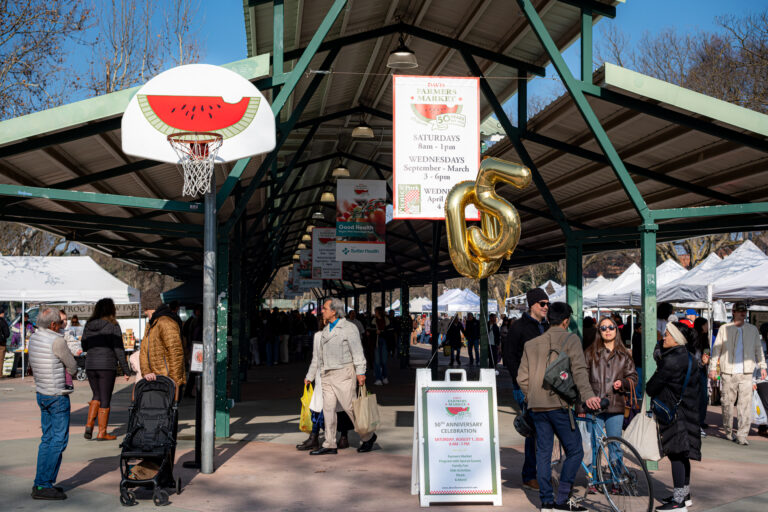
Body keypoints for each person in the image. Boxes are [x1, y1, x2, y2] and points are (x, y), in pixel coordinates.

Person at [518, 302, 599, 512]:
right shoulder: (571, 339)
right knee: (575, 451)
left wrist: (532, 396)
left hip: (537, 407)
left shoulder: (531, 344)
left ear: (548, 319)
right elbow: (579, 371)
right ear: (566, 321)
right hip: (559, 405)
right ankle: (562, 500)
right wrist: (588, 396)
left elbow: (522, 378)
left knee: (543, 454)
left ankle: (546, 502)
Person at [305, 298, 377, 455]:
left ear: (334, 311)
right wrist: (310, 375)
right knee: (328, 410)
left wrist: (361, 372)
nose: (322, 311)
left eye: (324, 308)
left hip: (344, 373)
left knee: (350, 408)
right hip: (326, 375)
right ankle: (329, 444)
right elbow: (318, 357)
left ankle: (368, 437)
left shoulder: (349, 328)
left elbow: (357, 351)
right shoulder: (325, 330)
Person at [647, 322, 701, 511]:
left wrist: (659, 359)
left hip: (674, 414)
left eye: (668, 334)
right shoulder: (691, 358)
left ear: (677, 338)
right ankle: (684, 495)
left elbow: (650, 388)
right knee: (683, 454)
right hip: (688, 412)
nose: (664, 337)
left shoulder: (671, 361)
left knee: (676, 455)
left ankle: (678, 503)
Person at [503, 287, 550, 491]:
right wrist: (521, 382)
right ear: (532, 305)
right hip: (526, 387)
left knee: (544, 430)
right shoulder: (519, 327)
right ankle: (530, 476)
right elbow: (509, 357)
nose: (546, 307)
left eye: (548, 304)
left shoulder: (547, 326)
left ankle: (541, 473)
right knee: (534, 430)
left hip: (546, 386)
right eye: (542, 304)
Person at [28, 308, 77, 500]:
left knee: (47, 439)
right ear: (53, 325)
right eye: (60, 323)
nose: (62, 326)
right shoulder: (57, 341)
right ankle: (44, 484)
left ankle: (41, 482)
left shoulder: (34, 338)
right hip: (57, 394)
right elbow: (72, 366)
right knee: (58, 440)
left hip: (42, 392)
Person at [581, 316, 637, 472]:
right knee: (594, 444)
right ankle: (594, 476)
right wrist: (585, 401)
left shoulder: (624, 354)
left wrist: (623, 383)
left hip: (615, 404)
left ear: (616, 330)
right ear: (599, 331)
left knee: (615, 444)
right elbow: (582, 377)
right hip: (594, 404)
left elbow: (633, 377)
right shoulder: (589, 353)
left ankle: (617, 477)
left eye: (611, 327)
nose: (607, 331)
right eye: (603, 328)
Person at [709, 302, 767, 445]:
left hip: (746, 372)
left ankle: (742, 434)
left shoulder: (752, 329)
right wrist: (712, 367)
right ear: (733, 312)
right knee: (727, 403)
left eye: (744, 311)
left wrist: (762, 366)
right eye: (740, 311)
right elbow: (716, 349)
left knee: (745, 405)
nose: (743, 313)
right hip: (728, 372)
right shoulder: (724, 328)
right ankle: (729, 431)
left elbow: (758, 349)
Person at [81, 298, 132, 441]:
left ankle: (89, 425)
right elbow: (118, 349)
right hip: (106, 365)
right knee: (105, 398)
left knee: (96, 395)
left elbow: (84, 346)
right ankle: (102, 432)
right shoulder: (113, 325)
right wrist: (126, 370)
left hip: (91, 364)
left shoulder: (88, 325)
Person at [140, 302, 186, 389]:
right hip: (156, 381)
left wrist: (173, 382)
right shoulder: (151, 325)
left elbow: (176, 353)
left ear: (148, 308)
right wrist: (146, 372)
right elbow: (143, 351)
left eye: (145, 310)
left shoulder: (166, 322)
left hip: (167, 381)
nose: (145, 313)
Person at [691, 318, 711, 435]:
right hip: (693, 369)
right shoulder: (693, 336)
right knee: (696, 395)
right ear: (701, 326)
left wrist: (706, 360)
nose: (707, 327)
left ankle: (701, 420)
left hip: (702, 369)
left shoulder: (705, 338)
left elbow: (707, 351)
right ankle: (695, 420)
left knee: (703, 396)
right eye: (706, 325)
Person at [372, 306, 390, 385]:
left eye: (375, 311)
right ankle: (379, 378)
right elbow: (370, 330)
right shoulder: (373, 320)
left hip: (384, 341)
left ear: (379, 312)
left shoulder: (387, 320)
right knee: (377, 361)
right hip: (376, 342)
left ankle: (384, 377)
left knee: (384, 361)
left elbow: (390, 331)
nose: (375, 313)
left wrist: (381, 332)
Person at [0, 308, 9, 377]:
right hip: (1, 343)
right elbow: (7, 333)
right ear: (2, 313)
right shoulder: (2, 321)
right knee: (1, 359)